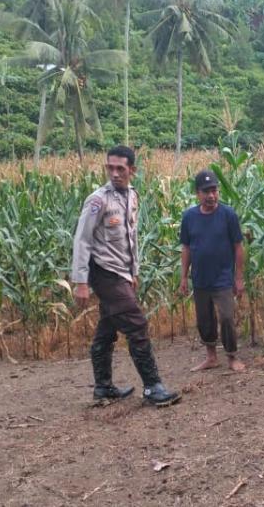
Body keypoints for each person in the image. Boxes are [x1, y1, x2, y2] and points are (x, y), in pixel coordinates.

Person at [71, 146, 181, 407]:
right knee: (137, 325)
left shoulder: (132, 196)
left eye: (121, 168)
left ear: (133, 170)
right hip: (104, 271)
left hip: (122, 273)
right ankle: (153, 387)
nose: (115, 173)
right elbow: (82, 240)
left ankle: (103, 388)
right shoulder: (98, 200)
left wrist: (134, 272)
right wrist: (81, 282)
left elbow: (131, 238)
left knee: (108, 328)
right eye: (110, 167)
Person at [179, 169, 247, 373]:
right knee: (204, 320)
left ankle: (232, 356)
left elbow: (238, 247)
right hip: (200, 278)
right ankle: (211, 357)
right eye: (206, 191)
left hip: (223, 277)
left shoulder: (228, 215)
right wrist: (183, 277)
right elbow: (186, 248)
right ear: (197, 194)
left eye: (214, 190)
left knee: (226, 317)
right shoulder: (189, 217)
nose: (211, 195)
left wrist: (239, 277)